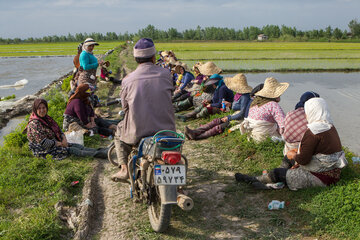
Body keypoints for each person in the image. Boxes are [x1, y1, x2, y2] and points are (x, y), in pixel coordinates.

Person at [235, 98, 348, 190]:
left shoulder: (313, 132)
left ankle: (256, 179)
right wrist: (295, 156)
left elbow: (303, 160)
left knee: (279, 171)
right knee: (288, 159)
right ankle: (277, 179)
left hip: (321, 177)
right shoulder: (330, 127)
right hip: (333, 172)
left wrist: (294, 155)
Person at [111, 38, 176, 181]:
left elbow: (124, 107)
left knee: (119, 130)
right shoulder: (166, 74)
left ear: (135, 59)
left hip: (138, 132)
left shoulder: (128, 80)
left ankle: (124, 169)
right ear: (153, 58)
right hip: (167, 130)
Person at [25, 98, 108, 160]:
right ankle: (99, 154)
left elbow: (58, 129)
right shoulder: (34, 124)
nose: (42, 110)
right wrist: (60, 144)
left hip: (55, 142)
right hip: (43, 149)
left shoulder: (47, 118)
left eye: (44, 107)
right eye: (39, 108)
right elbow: (43, 142)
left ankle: (101, 150)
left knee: (77, 146)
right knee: (72, 150)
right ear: (35, 110)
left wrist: (63, 138)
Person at [184, 73, 253, 140]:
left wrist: (229, 118)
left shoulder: (245, 97)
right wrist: (230, 104)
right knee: (216, 121)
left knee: (219, 127)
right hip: (234, 115)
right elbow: (238, 106)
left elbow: (242, 113)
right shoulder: (238, 94)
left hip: (240, 119)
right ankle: (195, 132)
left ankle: (197, 136)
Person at [240, 77, 288, 142]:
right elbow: (284, 126)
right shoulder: (273, 105)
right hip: (265, 137)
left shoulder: (254, 103)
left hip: (253, 136)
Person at [281, 91, 320, 158]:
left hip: (288, 150)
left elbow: (282, 130)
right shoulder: (313, 115)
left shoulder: (290, 113)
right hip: (304, 150)